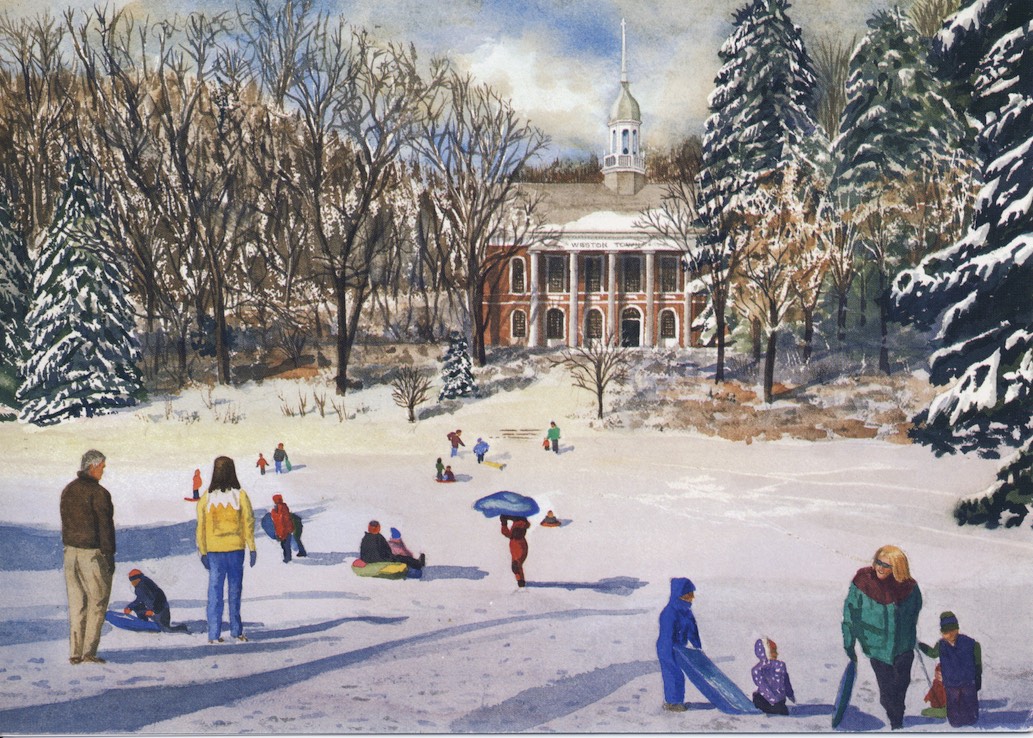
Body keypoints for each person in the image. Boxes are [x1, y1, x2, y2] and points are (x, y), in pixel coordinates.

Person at [842, 544, 922, 730]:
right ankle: (896, 723)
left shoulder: (909, 587)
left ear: (897, 568)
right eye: (878, 562)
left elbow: (914, 610)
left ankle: (897, 716)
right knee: (887, 691)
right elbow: (850, 614)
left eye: (886, 565)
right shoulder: (863, 582)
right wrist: (849, 642)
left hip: (904, 647)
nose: (880, 567)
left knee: (901, 685)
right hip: (877, 648)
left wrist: (908, 631)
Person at [61, 450, 116, 665]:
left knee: (77, 604)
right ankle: (89, 652)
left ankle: (75, 652)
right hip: (92, 554)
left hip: (70, 553)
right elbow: (105, 528)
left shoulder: (68, 490)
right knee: (97, 603)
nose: (103, 470)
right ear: (92, 467)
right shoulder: (99, 493)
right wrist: (109, 555)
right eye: (102, 466)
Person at [196, 456, 257, 644]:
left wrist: (203, 551)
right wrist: (252, 547)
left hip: (214, 551)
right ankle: (236, 632)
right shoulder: (240, 496)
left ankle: (214, 635)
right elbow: (248, 523)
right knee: (234, 592)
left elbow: (201, 527)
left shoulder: (206, 497)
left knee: (215, 593)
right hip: (236, 549)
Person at [918, 611, 982, 727]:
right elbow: (932, 653)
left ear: (957, 629)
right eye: (946, 632)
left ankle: (971, 719)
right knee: (954, 715)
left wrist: (978, 678)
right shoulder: (941, 645)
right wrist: (919, 645)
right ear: (942, 633)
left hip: (968, 682)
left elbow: (977, 663)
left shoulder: (970, 643)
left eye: (953, 630)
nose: (950, 634)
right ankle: (956, 720)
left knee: (970, 710)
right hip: (951, 684)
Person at [656, 577, 701, 712]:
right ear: (680, 594)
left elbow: (693, 631)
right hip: (667, 647)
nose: (692, 597)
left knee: (678, 675)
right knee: (673, 673)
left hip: (679, 648)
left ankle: (675, 701)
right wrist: (671, 652)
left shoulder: (687, 612)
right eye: (689, 594)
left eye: (692, 594)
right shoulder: (669, 612)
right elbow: (667, 634)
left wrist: (697, 647)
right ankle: (673, 703)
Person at [123, 569, 188, 633]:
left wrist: (151, 610)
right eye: (131, 581)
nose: (132, 583)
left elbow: (153, 599)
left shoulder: (144, 586)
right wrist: (130, 607)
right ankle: (144, 622)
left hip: (161, 609)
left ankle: (182, 627)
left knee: (166, 630)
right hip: (153, 608)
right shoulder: (141, 585)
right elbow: (140, 599)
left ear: (138, 579)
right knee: (137, 607)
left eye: (133, 581)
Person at [751, 637, 796, 715]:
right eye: (774, 651)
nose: (777, 653)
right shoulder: (781, 665)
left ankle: (773, 709)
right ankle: (778, 709)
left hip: (769, 701)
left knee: (757, 697)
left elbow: (763, 687)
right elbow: (786, 683)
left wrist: (773, 700)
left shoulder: (756, 669)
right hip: (778, 701)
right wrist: (790, 695)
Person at [360, 520, 424, 570]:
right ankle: (418, 564)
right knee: (403, 558)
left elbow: (362, 553)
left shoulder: (365, 538)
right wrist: (391, 556)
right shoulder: (379, 537)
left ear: (369, 528)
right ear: (378, 528)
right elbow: (387, 550)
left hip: (367, 560)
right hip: (381, 559)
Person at [270, 494, 307, 563]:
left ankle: (287, 558)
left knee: (285, 545)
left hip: (284, 530)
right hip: (286, 530)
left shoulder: (280, 508)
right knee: (285, 545)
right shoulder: (282, 507)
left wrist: (273, 512)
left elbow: (280, 520)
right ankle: (288, 557)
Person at [499, 514, 530, 588]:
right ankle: (520, 581)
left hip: (519, 548)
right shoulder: (514, 533)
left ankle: (521, 582)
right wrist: (504, 523)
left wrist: (505, 523)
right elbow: (507, 533)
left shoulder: (518, 530)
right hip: (515, 549)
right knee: (516, 566)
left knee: (516, 565)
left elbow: (509, 533)